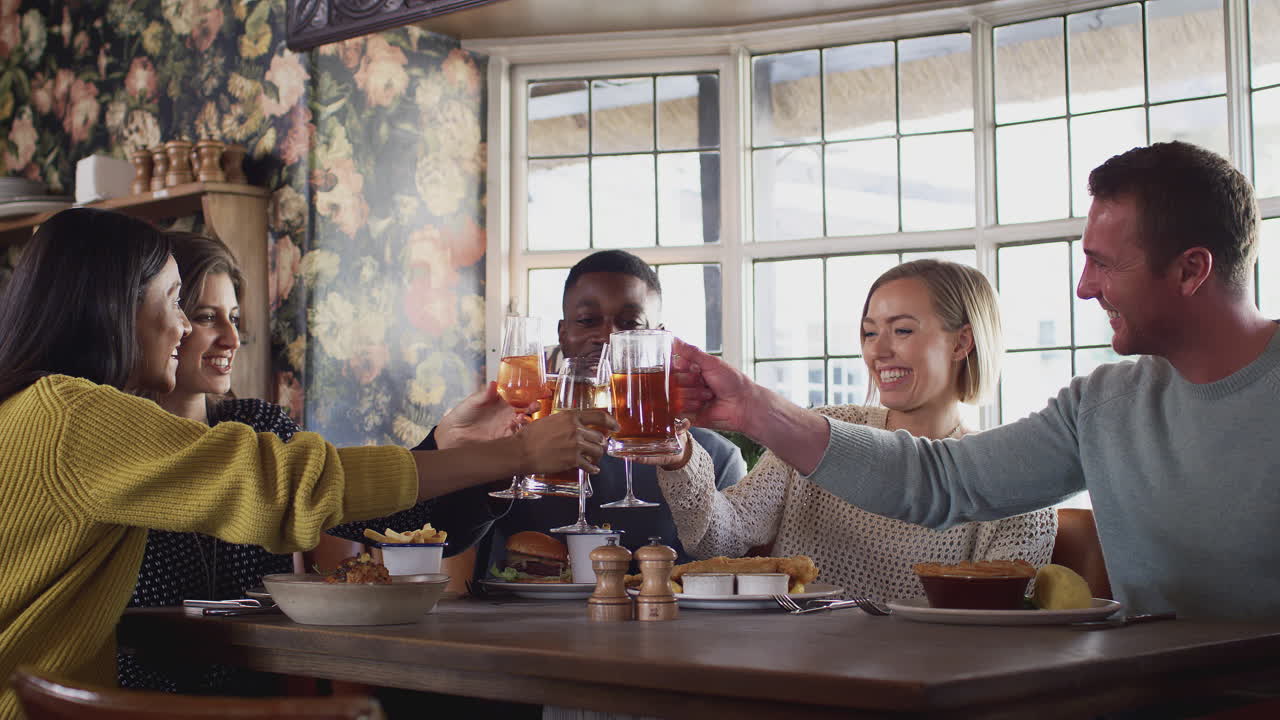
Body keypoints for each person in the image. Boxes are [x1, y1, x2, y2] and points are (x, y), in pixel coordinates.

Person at [0, 207, 615, 718]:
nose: (190, 328)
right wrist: (516, 452)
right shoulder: (77, 417)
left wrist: (455, 453)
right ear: (113, 308)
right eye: (179, 304)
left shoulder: (41, 412)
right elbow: (292, 487)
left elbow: (328, 495)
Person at [672, 141, 1279, 621]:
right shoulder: (1099, 405)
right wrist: (753, 408)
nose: (1084, 287)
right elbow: (938, 480)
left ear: (1191, 269)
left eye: (1104, 263)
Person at [119, 232, 508, 694]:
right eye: (207, 317)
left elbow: (404, 524)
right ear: (156, 318)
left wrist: (466, 452)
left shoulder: (257, 425)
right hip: (140, 699)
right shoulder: (116, 444)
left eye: (235, 318)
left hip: (257, 700)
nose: (231, 337)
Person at [643, 260, 1055, 602]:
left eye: (903, 330)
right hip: (795, 667)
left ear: (961, 342)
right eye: (870, 332)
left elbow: (996, 622)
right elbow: (719, 540)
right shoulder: (818, 433)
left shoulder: (1014, 487)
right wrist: (680, 456)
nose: (878, 350)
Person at [475, 250, 745, 573]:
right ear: (563, 335)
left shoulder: (717, 457)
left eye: (629, 324)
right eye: (588, 321)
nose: (606, 336)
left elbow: (731, 572)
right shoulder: (512, 446)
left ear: (659, 337)